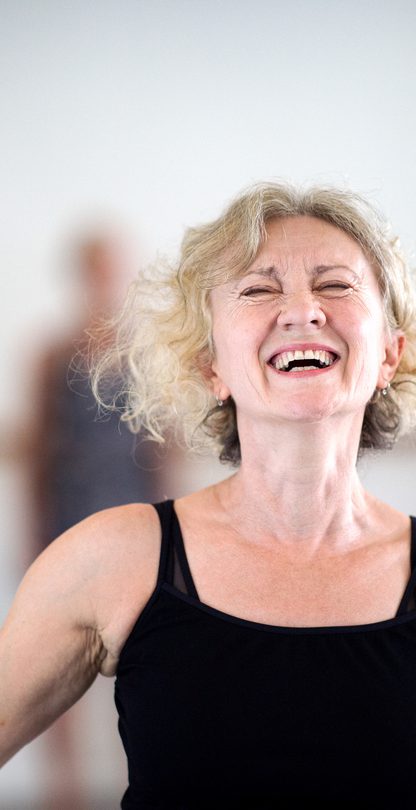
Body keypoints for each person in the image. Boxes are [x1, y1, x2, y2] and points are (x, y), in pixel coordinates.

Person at [1, 180, 416, 807]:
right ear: (211, 366)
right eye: (258, 289)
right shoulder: (112, 560)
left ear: (390, 353)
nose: (302, 310)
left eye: (336, 284)